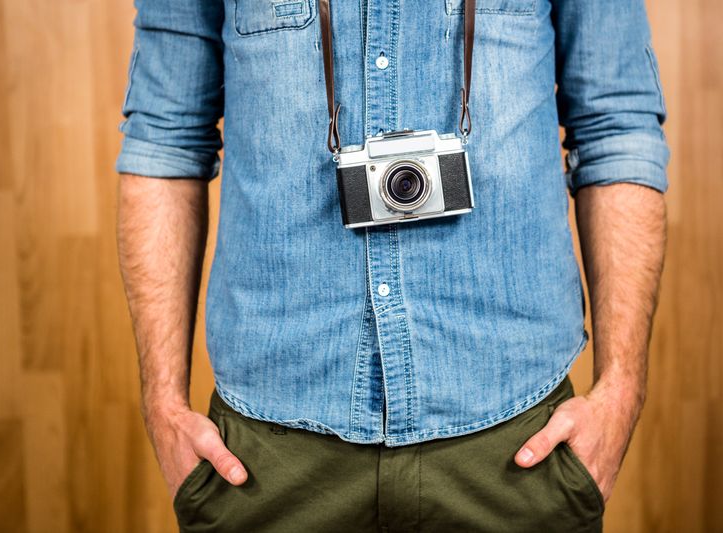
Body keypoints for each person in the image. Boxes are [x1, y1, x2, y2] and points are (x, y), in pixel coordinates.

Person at [115, 0, 669, 531]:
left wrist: (621, 391)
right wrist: (163, 402)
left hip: (520, 440)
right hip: (264, 455)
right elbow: (163, 140)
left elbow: (617, 127)